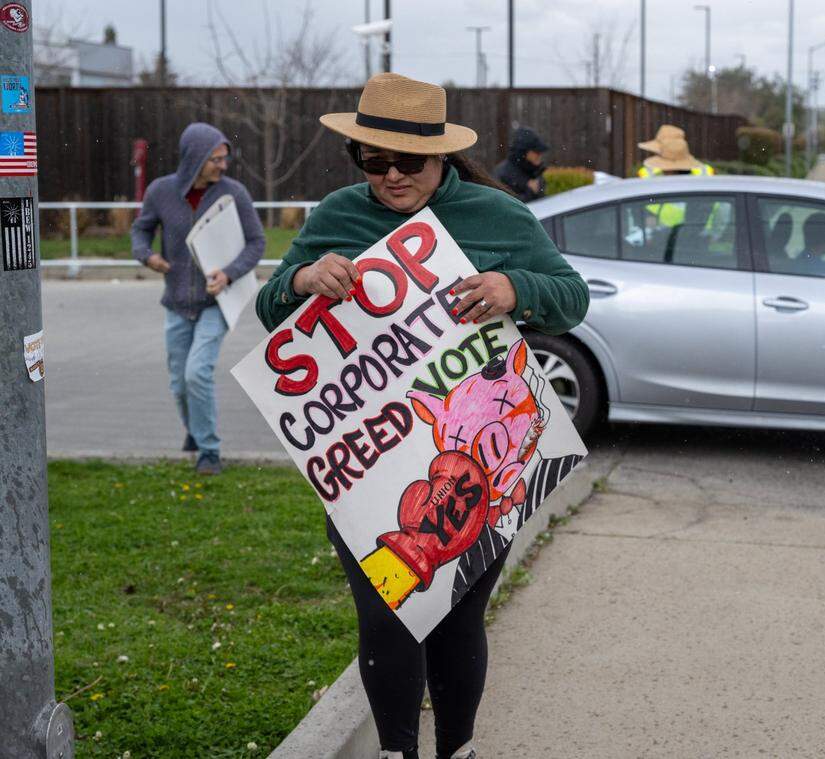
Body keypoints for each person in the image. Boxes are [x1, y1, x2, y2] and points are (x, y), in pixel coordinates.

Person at [255, 73, 588, 759]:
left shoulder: (501, 219)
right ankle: (395, 751)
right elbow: (268, 311)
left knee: (457, 613)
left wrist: (513, 287)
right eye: (374, 160)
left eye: (410, 161)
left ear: (443, 157)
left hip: (482, 462)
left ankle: (457, 748)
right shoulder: (338, 216)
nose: (392, 175)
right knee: (386, 611)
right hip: (369, 461)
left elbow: (572, 298)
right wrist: (300, 280)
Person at [131, 122, 265, 476]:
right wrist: (146, 256)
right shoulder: (161, 191)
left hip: (216, 303)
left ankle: (209, 451)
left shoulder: (233, 194)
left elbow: (256, 242)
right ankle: (195, 429)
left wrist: (229, 273)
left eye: (224, 158)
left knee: (197, 373)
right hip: (176, 300)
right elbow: (141, 229)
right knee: (178, 381)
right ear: (195, 158)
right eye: (215, 159)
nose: (223, 165)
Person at [493, 125, 548, 201]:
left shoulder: (535, 171)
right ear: (523, 152)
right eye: (536, 151)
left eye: (540, 151)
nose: (539, 155)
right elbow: (503, 204)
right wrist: (530, 192)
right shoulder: (503, 174)